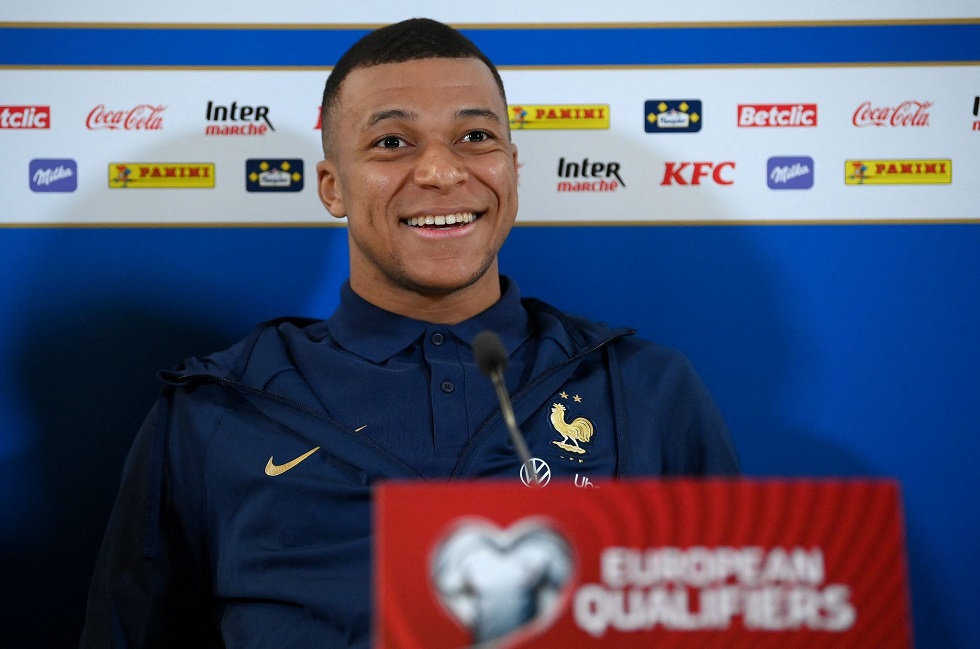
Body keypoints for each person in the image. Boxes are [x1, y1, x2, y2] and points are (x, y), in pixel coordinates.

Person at [81, 18, 739, 648]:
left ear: (513, 169)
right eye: (392, 143)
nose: (441, 172)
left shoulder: (644, 387)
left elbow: (732, 628)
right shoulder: (214, 413)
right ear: (333, 187)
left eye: (475, 137)